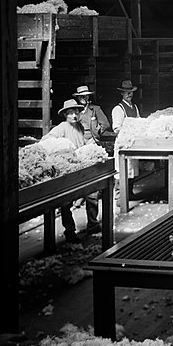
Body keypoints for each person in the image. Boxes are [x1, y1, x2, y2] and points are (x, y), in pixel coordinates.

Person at [41, 99, 94, 242]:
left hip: (80, 165)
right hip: (68, 167)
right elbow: (47, 139)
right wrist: (64, 146)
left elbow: (82, 143)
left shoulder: (80, 127)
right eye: (70, 113)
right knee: (66, 202)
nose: (74, 116)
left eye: (76, 112)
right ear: (65, 115)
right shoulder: (62, 127)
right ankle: (69, 231)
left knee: (92, 194)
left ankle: (93, 225)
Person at [73, 84, 109, 234]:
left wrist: (96, 135)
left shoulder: (95, 109)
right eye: (81, 96)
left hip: (92, 147)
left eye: (86, 96)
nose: (84, 98)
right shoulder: (74, 112)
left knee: (93, 187)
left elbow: (105, 124)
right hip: (77, 148)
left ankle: (92, 224)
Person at [111, 79, 141, 199]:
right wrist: (129, 130)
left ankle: (129, 193)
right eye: (126, 92)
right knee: (121, 170)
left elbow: (139, 121)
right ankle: (119, 196)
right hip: (123, 143)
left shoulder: (134, 107)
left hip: (133, 143)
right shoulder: (118, 109)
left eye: (131, 92)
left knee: (132, 169)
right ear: (121, 93)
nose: (129, 94)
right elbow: (116, 128)